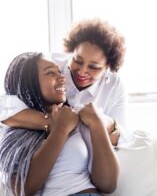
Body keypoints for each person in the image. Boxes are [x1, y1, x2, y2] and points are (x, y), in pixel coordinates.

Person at [0, 52, 119, 196]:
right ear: (29, 82)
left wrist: (97, 123)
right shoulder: (13, 131)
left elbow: (108, 185)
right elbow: (24, 189)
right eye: (50, 73)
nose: (62, 77)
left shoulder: (77, 118)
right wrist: (60, 129)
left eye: (59, 72)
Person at [0, 18, 127, 146]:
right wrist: (51, 122)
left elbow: (122, 136)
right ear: (71, 51)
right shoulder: (50, 64)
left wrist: (98, 123)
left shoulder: (114, 86)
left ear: (107, 67)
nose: (82, 72)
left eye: (93, 67)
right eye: (77, 60)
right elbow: (4, 108)